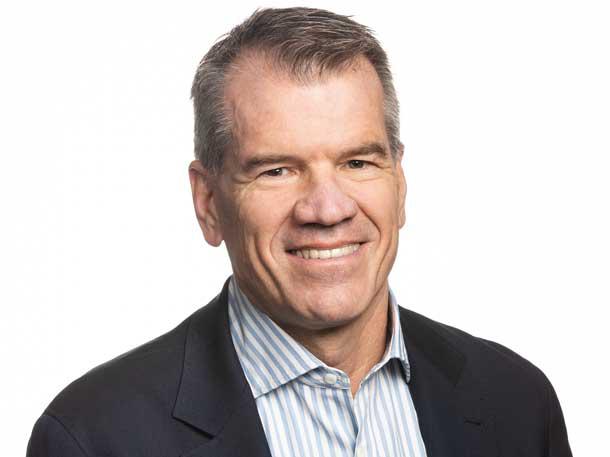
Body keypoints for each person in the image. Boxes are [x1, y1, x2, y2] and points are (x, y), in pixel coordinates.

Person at [27, 7, 572, 457]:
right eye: (277, 170)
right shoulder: (93, 437)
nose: (327, 209)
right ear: (208, 202)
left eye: (358, 162)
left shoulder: (519, 405)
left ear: (399, 182)